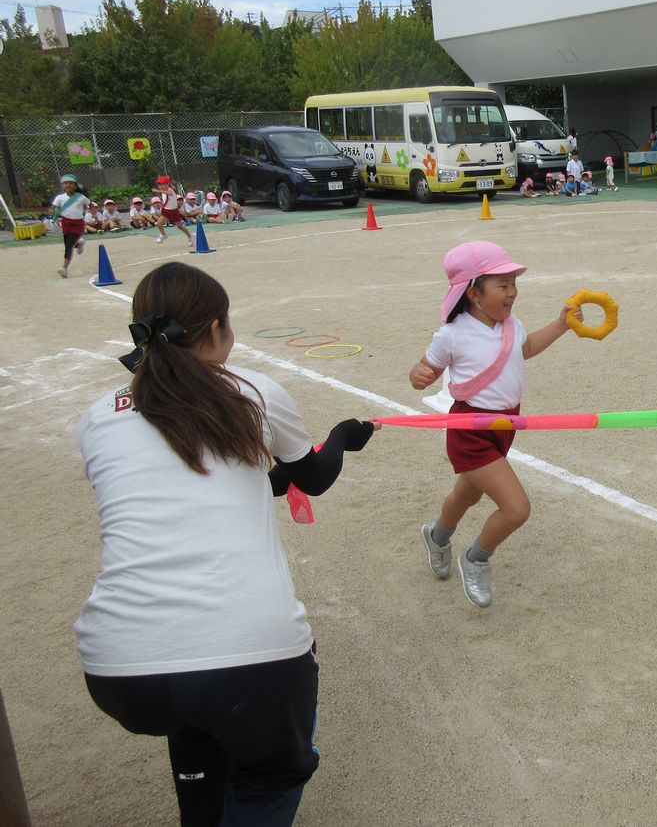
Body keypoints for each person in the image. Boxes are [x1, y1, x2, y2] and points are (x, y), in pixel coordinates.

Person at [74, 262, 379, 826]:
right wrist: (342, 436)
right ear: (217, 328)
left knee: (195, 719)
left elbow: (173, 497)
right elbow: (312, 477)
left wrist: (263, 485)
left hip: (119, 666)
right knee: (272, 775)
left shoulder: (97, 417)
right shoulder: (253, 391)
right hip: (251, 658)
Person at [408, 241, 581, 607]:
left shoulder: (510, 325)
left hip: (505, 427)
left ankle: (437, 536)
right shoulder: (452, 334)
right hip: (470, 430)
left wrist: (562, 325)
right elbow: (425, 368)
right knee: (517, 508)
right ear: (473, 292)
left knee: (467, 494)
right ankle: (476, 557)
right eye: (503, 285)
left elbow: (527, 348)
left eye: (513, 284)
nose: (513, 292)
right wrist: (419, 375)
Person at [50, 173, 90, 279]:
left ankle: (64, 268)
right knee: (68, 244)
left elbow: (89, 205)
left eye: (71, 183)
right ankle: (79, 242)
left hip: (78, 224)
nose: (68, 185)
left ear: (75, 186)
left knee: (69, 246)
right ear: (63, 186)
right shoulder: (59, 198)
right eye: (66, 183)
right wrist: (53, 218)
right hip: (66, 223)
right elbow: (52, 209)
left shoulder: (81, 197)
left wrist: (87, 213)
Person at [152, 176, 194, 247]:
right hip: (166, 211)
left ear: (167, 184)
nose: (161, 186)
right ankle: (164, 235)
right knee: (159, 223)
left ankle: (190, 236)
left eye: (163, 184)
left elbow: (169, 193)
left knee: (180, 227)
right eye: (159, 185)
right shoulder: (164, 191)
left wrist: (158, 191)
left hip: (174, 211)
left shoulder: (170, 190)